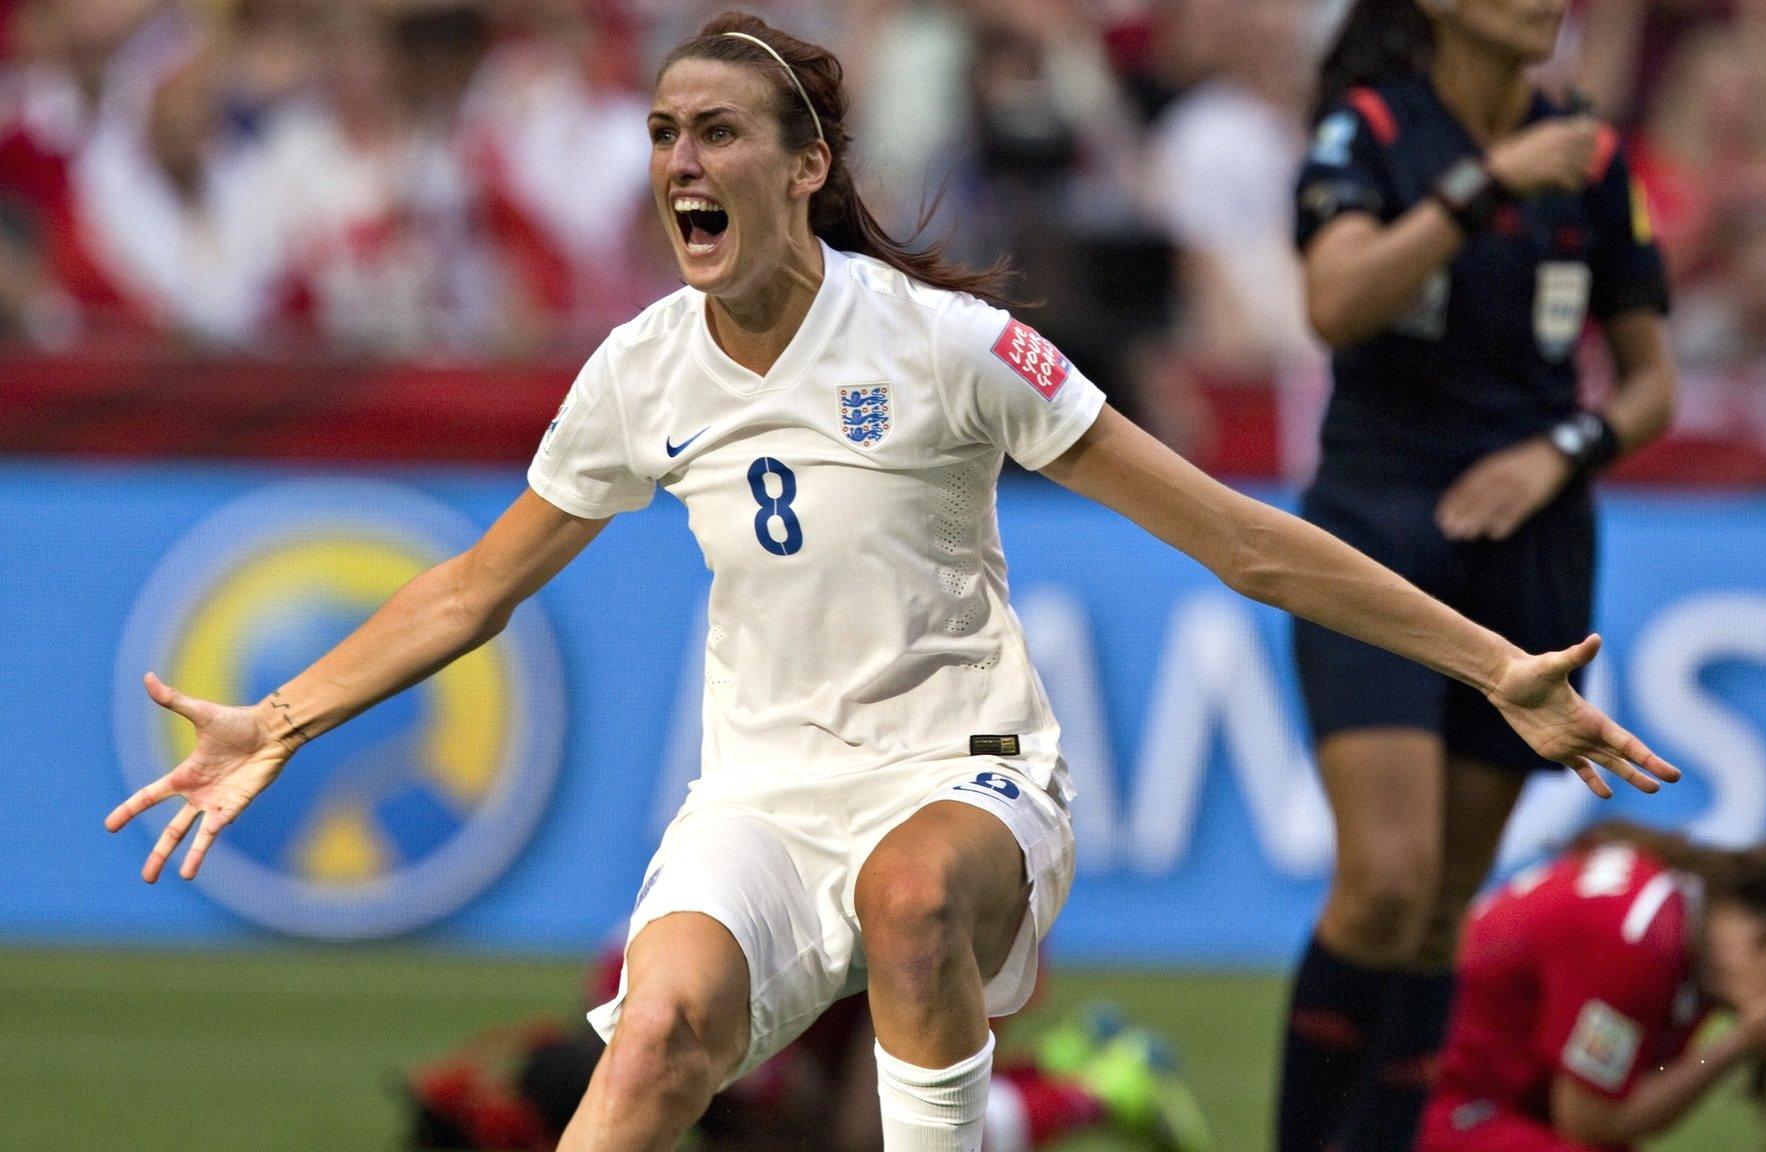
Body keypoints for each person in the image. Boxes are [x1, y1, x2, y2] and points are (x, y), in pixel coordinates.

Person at [103, 12, 1677, 1152]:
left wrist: (1488, 663)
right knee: (654, 1038)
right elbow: (472, 587)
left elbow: (1239, 536)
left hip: (970, 779)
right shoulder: (641, 370)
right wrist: (284, 719)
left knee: (911, 900)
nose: (679, 163)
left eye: (717, 132)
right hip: (763, 799)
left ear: (805, 167)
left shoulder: (945, 347)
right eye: (661, 134)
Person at [1280, 1, 1680, 1150]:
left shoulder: (1593, 156)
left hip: (1528, 538)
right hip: (1377, 525)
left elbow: (1651, 384)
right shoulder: (1364, 131)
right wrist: (1486, 182)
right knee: (1385, 882)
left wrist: (1558, 452)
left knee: (1442, 903)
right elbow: (1334, 301)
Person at [404, 941, 1211, 1152]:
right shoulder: (631, 987)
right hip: (854, 975)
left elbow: (800, 1113)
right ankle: (1061, 1064)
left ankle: (1103, 1083)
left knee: (873, 1137)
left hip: (933, 943)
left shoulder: (686, 1026)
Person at [1420, 823, 1766, 1151]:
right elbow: (1590, 1124)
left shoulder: (1680, 920)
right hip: (1423, 1101)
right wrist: (1737, 1045)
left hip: (1453, 1095)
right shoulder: (1636, 944)